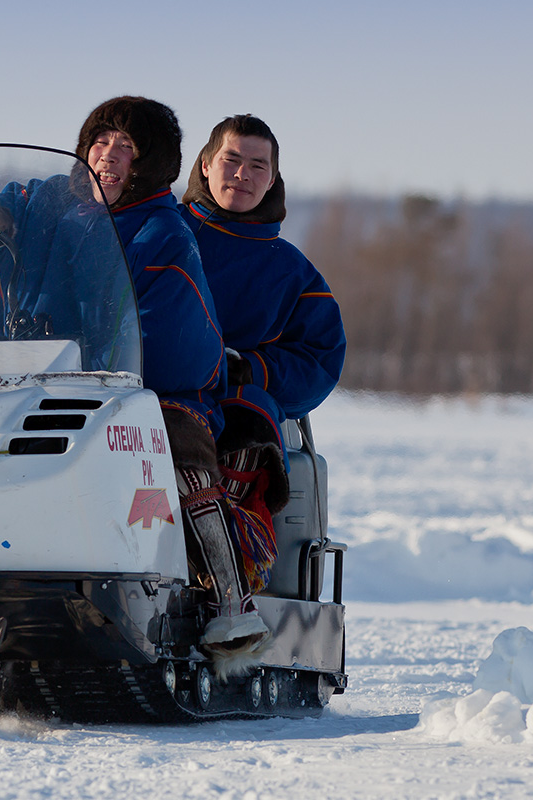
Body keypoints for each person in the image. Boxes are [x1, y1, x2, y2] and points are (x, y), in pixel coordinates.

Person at [0, 97, 270, 668]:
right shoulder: (46, 202)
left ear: (152, 165)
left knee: (177, 443)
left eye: (128, 149)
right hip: (27, 379)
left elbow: (182, 344)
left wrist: (112, 361)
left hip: (136, 389)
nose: (109, 158)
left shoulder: (163, 233)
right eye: (101, 142)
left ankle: (227, 600)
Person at [180, 115, 346, 595]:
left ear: (273, 178)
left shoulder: (289, 270)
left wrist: (251, 368)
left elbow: (321, 358)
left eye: (257, 165)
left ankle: (228, 582)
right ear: (206, 165)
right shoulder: (157, 236)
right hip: (145, 396)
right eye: (231, 160)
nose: (242, 174)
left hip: (229, 410)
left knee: (250, 419)